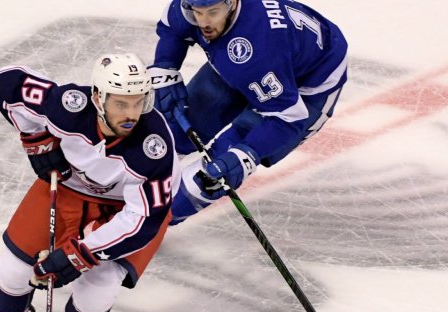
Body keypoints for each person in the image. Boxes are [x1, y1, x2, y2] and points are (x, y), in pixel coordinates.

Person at [0, 53, 180, 312]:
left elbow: (142, 222)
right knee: (14, 271)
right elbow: (6, 83)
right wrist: (36, 140)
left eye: (138, 103)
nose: (131, 114)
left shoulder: (155, 148)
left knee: (98, 291)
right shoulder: (68, 105)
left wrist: (80, 255)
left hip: (124, 214)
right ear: (98, 98)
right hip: (68, 190)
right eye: (121, 104)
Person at [148, 0, 348, 224]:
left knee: (218, 169)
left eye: (212, 12)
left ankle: (152, 226)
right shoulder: (192, 7)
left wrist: (247, 154)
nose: (203, 22)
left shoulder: (260, 50)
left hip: (307, 89)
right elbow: (172, 28)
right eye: (197, 13)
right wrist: (165, 66)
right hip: (249, 65)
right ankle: (124, 195)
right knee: (171, 132)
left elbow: (289, 118)